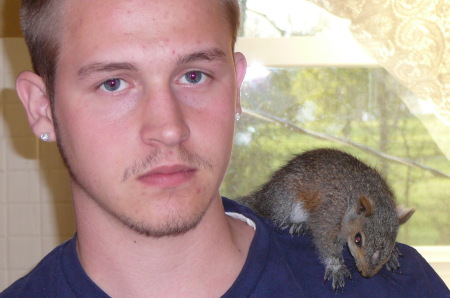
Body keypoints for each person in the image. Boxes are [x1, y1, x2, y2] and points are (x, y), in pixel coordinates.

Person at [1, 0, 448, 297]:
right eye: (113, 83)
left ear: (235, 87)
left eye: (193, 75)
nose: (169, 128)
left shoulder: (398, 287)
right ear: (42, 109)